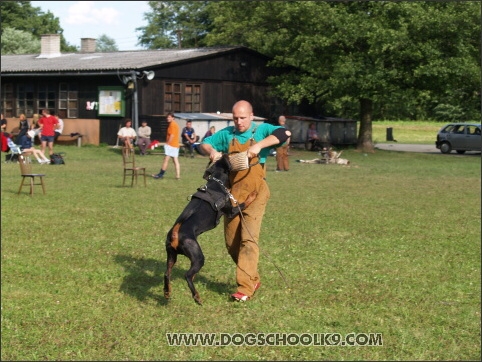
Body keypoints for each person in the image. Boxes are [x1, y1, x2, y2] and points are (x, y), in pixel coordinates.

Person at [200, 100, 291, 302]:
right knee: (232, 243)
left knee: (249, 240)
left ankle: (245, 289)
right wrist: (212, 151)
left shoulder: (262, 130)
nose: (239, 122)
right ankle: (253, 278)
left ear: (251, 116)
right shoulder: (228, 134)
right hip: (232, 195)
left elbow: (285, 133)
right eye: (235, 118)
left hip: (256, 193)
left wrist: (259, 145)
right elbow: (203, 143)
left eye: (243, 117)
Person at [152, 112, 181, 180]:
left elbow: (172, 135)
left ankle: (160, 175)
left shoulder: (173, 125)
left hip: (171, 145)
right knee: (175, 160)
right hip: (175, 145)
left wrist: (167, 143)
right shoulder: (174, 124)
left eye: (169, 117)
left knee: (166, 160)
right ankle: (178, 176)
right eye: (167, 117)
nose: (168, 118)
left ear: (173, 118)